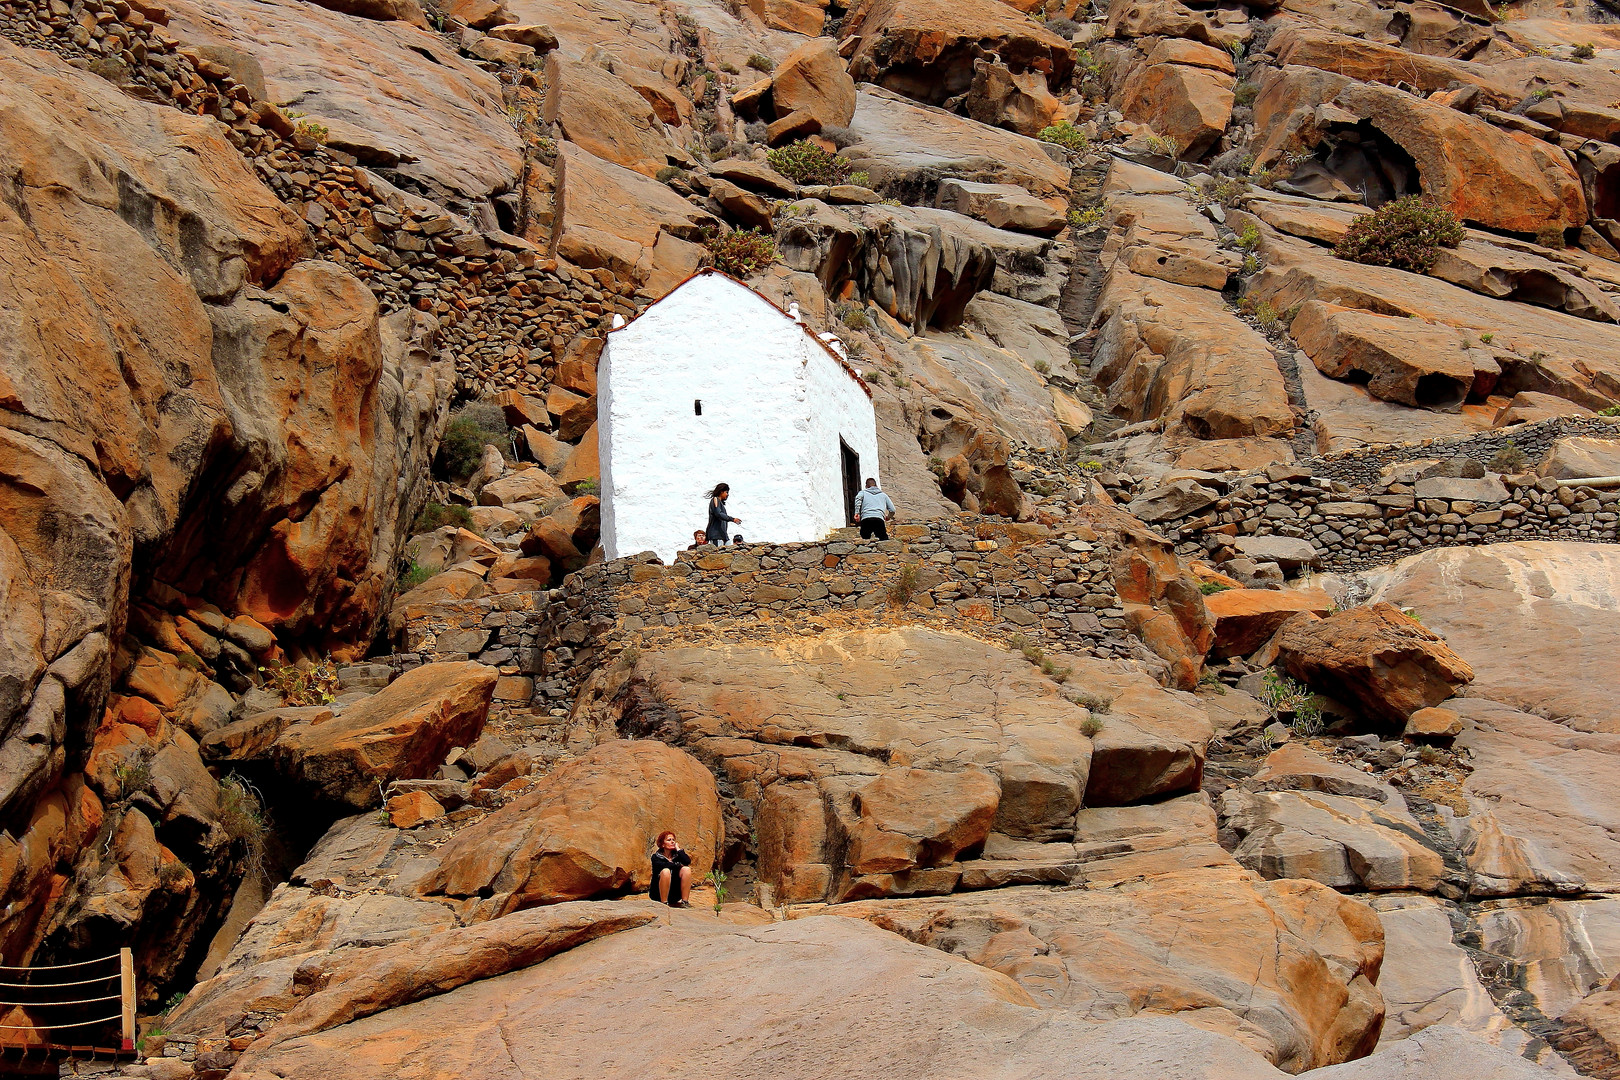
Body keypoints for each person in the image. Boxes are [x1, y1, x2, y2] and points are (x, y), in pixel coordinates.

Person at [649, 831, 692, 908]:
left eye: (673, 840)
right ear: (662, 844)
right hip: (658, 894)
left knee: (686, 869)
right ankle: (664, 903)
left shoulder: (678, 855)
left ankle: (685, 901)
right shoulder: (656, 857)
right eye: (669, 840)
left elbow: (687, 861)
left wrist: (678, 849)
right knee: (666, 871)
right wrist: (676, 865)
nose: (672, 842)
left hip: (674, 895)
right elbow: (664, 865)